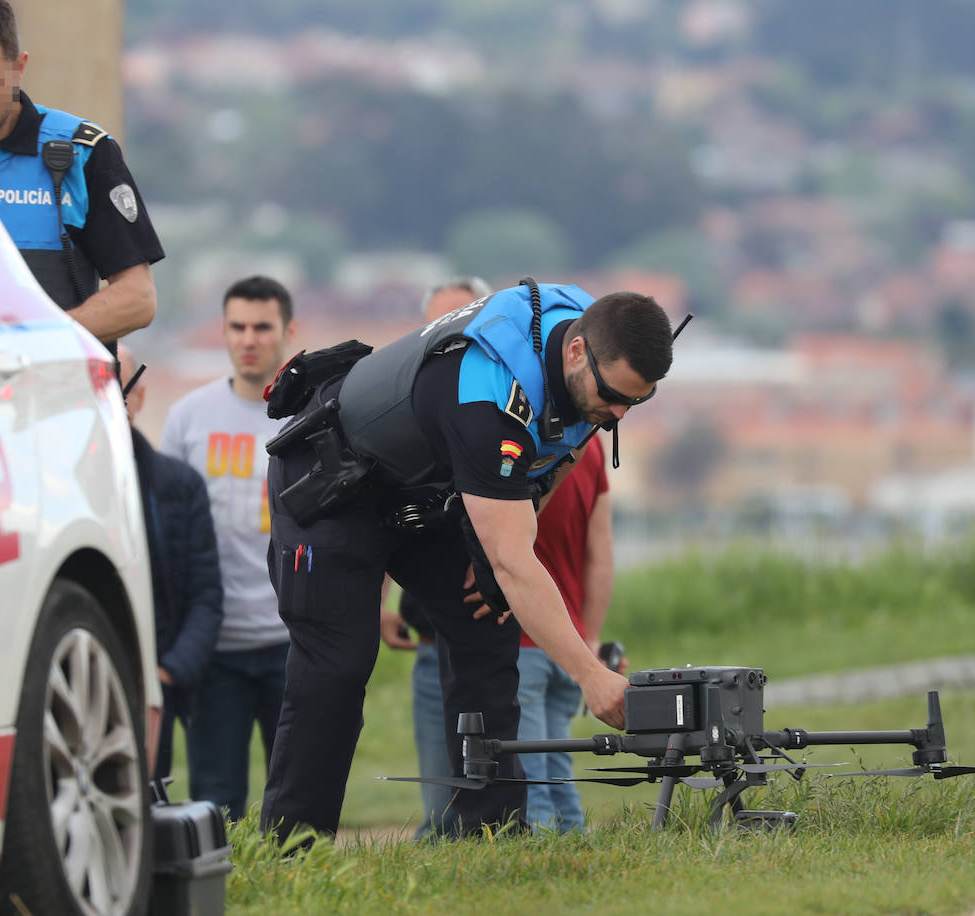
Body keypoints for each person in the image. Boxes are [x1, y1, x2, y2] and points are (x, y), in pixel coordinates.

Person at [260, 280, 675, 840]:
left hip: (423, 489)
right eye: (614, 395)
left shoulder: (589, 333)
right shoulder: (490, 397)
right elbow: (516, 562)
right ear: (576, 351)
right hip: (334, 487)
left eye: (637, 400)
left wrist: (495, 556)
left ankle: (492, 835)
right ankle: (292, 849)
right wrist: (590, 676)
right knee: (338, 665)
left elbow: (559, 454)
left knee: (487, 622)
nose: (620, 414)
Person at [0, 0, 162, 349]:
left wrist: (35, 343)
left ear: (19, 68)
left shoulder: (82, 153)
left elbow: (137, 299)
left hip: (54, 392)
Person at [161, 275, 297, 821]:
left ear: (288, 331)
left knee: (298, 800)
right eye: (237, 326)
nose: (249, 339)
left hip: (294, 640)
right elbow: (166, 530)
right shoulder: (188, 418)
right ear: (222, 331)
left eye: (262, 327)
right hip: (214, 646)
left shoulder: (309, 418)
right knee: (215, 805)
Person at [377, 276, 493, 838]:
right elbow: (380, 510)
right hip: (428, 632)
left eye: (461, 324)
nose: (448, 340)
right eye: (436, 328)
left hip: (491, 626)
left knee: (493, 772)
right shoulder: (410, 412)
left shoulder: (500, 416)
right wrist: (383, 600)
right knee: (438, 798)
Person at [120, 345, 224, 785]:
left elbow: (205, 592)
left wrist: (168, 674)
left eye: (116, 387)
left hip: (154, 685)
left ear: (139, 396)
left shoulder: (176, 486)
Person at [517, 433, 618, 833]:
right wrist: (589, 639)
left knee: (531, 785)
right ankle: (575, 850)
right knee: (558, 774)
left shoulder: (516, 438)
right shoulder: (590, 445)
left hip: (525, 637)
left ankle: (540, 869)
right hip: (573, 642)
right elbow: (601, 553)